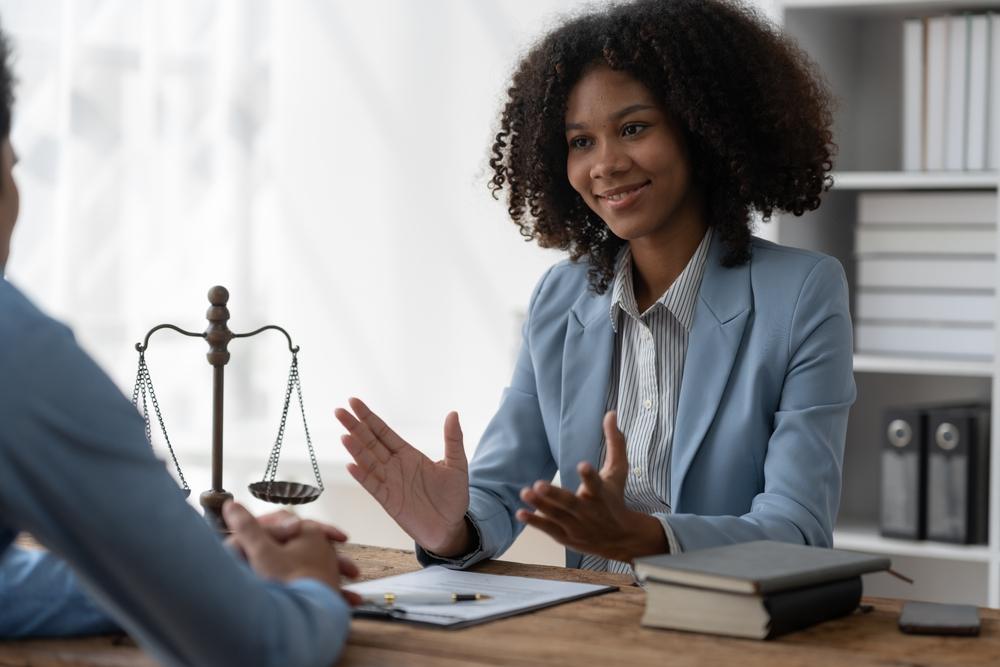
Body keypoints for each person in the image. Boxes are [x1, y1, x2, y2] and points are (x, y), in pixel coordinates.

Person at [335, 0, 855, 573]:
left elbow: (797, 531)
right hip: (592, 619)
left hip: (721, 620)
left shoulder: (800, 295)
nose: (604, 164)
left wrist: (645, 537)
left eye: (633, 129)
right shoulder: (559, 299)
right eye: (581, 141)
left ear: (703, 130)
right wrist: (451, 529)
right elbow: (500, 491)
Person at [0, 25, 356, 667]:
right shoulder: (18, 353)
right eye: (14, 165)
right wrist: (308, 587)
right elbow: (255, 650)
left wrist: (192, 571)